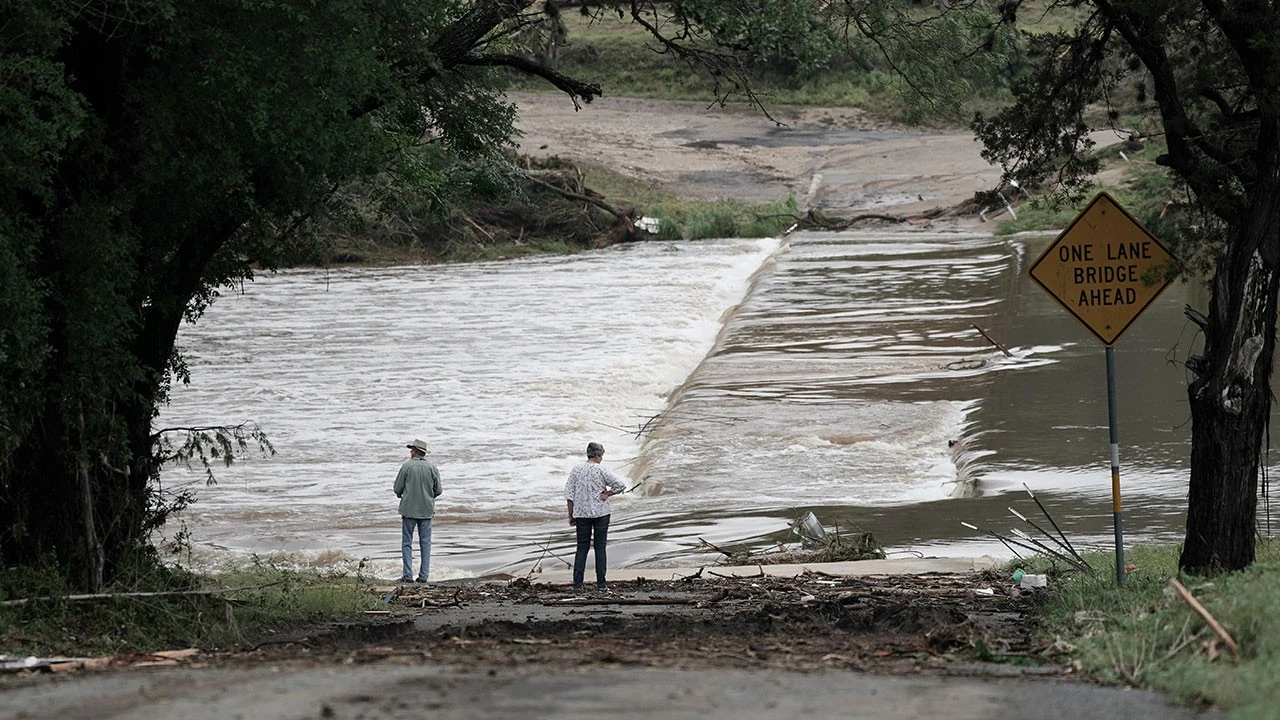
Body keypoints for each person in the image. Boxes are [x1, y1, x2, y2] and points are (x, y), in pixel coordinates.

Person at [564, 441, 628, 590]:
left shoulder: (576, 470)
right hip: (601, 513)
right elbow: (621, 485)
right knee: (600, 548)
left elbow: (569, 494)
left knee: (582, 548)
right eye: (602, 456)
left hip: (581, 514)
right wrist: (608, 494)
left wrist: (570, 514)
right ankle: (601, 585)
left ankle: (578, 585)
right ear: (598, 455)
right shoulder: (601, 470)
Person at [394, 438, 442, 583]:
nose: (410, 451)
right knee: (425, 543)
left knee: (407, 542)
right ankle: (423, 576)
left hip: (409, 510)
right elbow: (438, 490)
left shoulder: (406, 467)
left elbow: (397, 488)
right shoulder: (432, 468)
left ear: (415, 451)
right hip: (426, 510)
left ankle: (407, 575)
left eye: (411, 449)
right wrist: (428, 496)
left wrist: (400, 495)